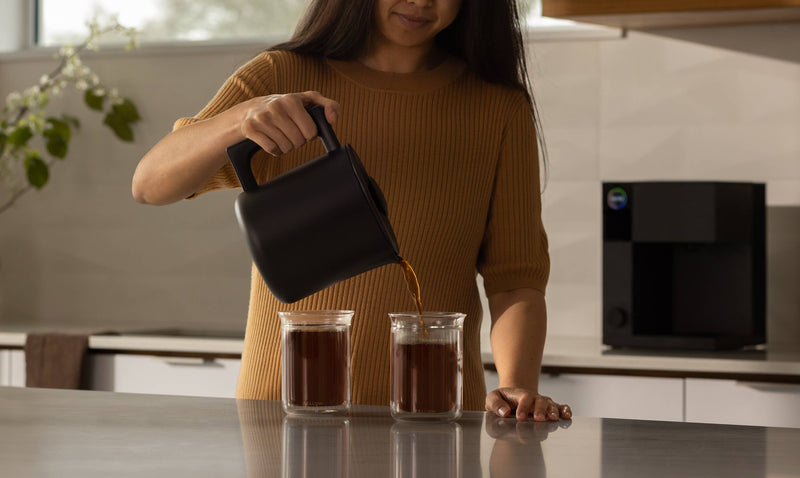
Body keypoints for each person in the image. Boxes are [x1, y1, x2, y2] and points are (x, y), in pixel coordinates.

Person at [132, 0, 571, 422]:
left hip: (436, 415)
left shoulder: (498, 107)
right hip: (284, 411)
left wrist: (516, 386)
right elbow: (150, 185)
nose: (421, 1)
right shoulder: (282, 77)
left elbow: (515, 281)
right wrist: (241, 118)